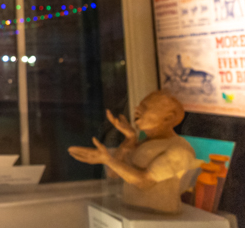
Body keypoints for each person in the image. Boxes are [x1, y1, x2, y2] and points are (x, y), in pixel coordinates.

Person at [68, 91, 196, 214]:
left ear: (168, 118)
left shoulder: (180, 149)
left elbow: (143, 182)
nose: (137, 109)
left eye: (145, 107)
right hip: (132, 212)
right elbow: (113, 173)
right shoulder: (144, 142)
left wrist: (107, 159)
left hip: (159, 218)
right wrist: (129, 140)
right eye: (139, 106)